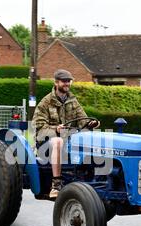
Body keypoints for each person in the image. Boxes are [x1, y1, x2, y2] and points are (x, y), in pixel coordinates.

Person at [32, 69, 100, 198]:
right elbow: (39, 127)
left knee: (90, 138)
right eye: (64, 81)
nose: (67, 84)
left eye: (69, 81)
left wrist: (92, 124)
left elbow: (83, 120)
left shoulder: (73, 101)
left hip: (68, 140)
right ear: (56, 83)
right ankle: (56, 184)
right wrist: (55, 129)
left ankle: (90, 179)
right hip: (46, 144)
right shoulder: (45, 103)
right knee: (58, 141)